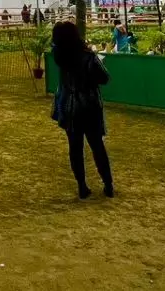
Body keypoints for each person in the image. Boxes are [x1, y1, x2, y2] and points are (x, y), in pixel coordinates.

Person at [50, 21, 113, 199]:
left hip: (68, 107)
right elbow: (105, 78)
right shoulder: (88, 56)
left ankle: (82, 186)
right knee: (97, 145)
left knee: (75, 147)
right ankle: (108, 185)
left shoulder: (59, 55)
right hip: (89, 106)